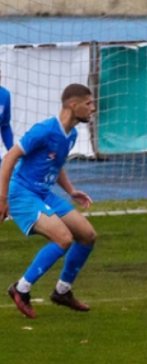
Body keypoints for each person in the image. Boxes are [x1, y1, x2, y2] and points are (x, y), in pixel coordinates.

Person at [1, 84, 98, 319]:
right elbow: (10, 158)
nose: (93, 108)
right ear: (73, 105)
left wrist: (71, 190)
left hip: (44, 193)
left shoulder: (71, 135)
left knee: (87, 235)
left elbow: (57, 165)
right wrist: (2, 198)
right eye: (88, 103)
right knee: (63, 238)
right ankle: (21, 288)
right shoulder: (43, 130)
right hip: (22, 193)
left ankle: (62, 291)